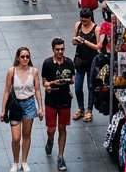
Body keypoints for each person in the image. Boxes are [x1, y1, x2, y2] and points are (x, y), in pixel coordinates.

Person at [0, 46, 43, 172]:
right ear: (18, 58)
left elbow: (38, 90)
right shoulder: (11, 71)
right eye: (23, 56)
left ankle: (24, 161)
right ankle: (15, 162)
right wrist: (3, 110)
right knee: (16, 137)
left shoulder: (34, 71)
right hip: (15, 105)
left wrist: (40, 107)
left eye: (27, 57)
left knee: (26, 134)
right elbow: (6, 91)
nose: (25, 59)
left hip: (29, 103)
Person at [40, 38, 75, 171]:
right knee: (51, 129)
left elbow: (72, 79)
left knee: (62, 128)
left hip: (65, 100)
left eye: (62, 49)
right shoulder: (48, 63)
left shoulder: (69, 62)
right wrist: (51, 84)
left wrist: (68, 81)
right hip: (51, 101)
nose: (60, 51)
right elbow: (44, 82)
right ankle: (50, 140)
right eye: (57, 49)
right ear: (53, 49)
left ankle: (60, 156)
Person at [70, 8, 100, 123]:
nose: (83, 22)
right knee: (78, 86)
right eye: (82, 20)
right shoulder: (78, 25)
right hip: (79, 61)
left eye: (85, 21)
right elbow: (73, 41)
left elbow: (98, 47)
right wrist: (76, 40)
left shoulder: (96, 29)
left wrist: (85, 42)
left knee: (91, 86)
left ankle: (89, 110)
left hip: (92, 62)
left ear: (90, 18)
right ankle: (81, 108)